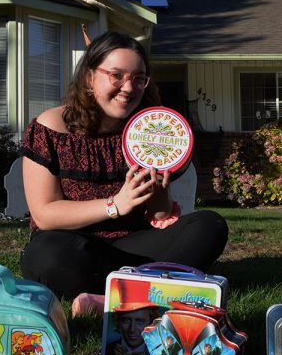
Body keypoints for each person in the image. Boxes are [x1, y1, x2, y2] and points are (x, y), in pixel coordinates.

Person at [19, 31, 228, 316]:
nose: (128, 88)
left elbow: (156, 218)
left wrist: (159, 194)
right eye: (116, 75)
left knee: (209, 225)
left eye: (138, 78)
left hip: (132, 250)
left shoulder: (150, 131)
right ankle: (156, 289)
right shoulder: (52, 127)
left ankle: (114, 299)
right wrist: (116, 205)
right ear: (90, 77)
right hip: (75, 247)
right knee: (46, 254)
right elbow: (45, 214)